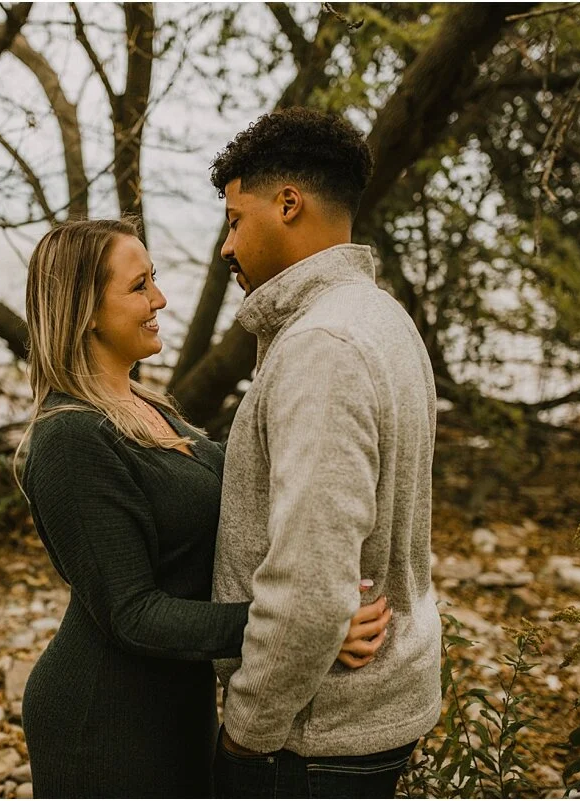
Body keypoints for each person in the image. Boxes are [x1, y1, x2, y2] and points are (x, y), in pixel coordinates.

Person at [17, 218, 392, 798]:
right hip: (105, 723)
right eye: (139, 286)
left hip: (177, 704)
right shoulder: (70, 439)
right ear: (86, 310)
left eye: (154, 279)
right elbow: (132, 613)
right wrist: (297, 626)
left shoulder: (151, 409)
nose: (159, 299)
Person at [208, 108, 442, 798]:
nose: (226, 247)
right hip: (361, 713)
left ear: (288, 204)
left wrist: (246, 730)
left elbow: (311, 582)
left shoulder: (322, 346)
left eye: (234, 221)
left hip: (313, 736)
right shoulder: (381, 318)